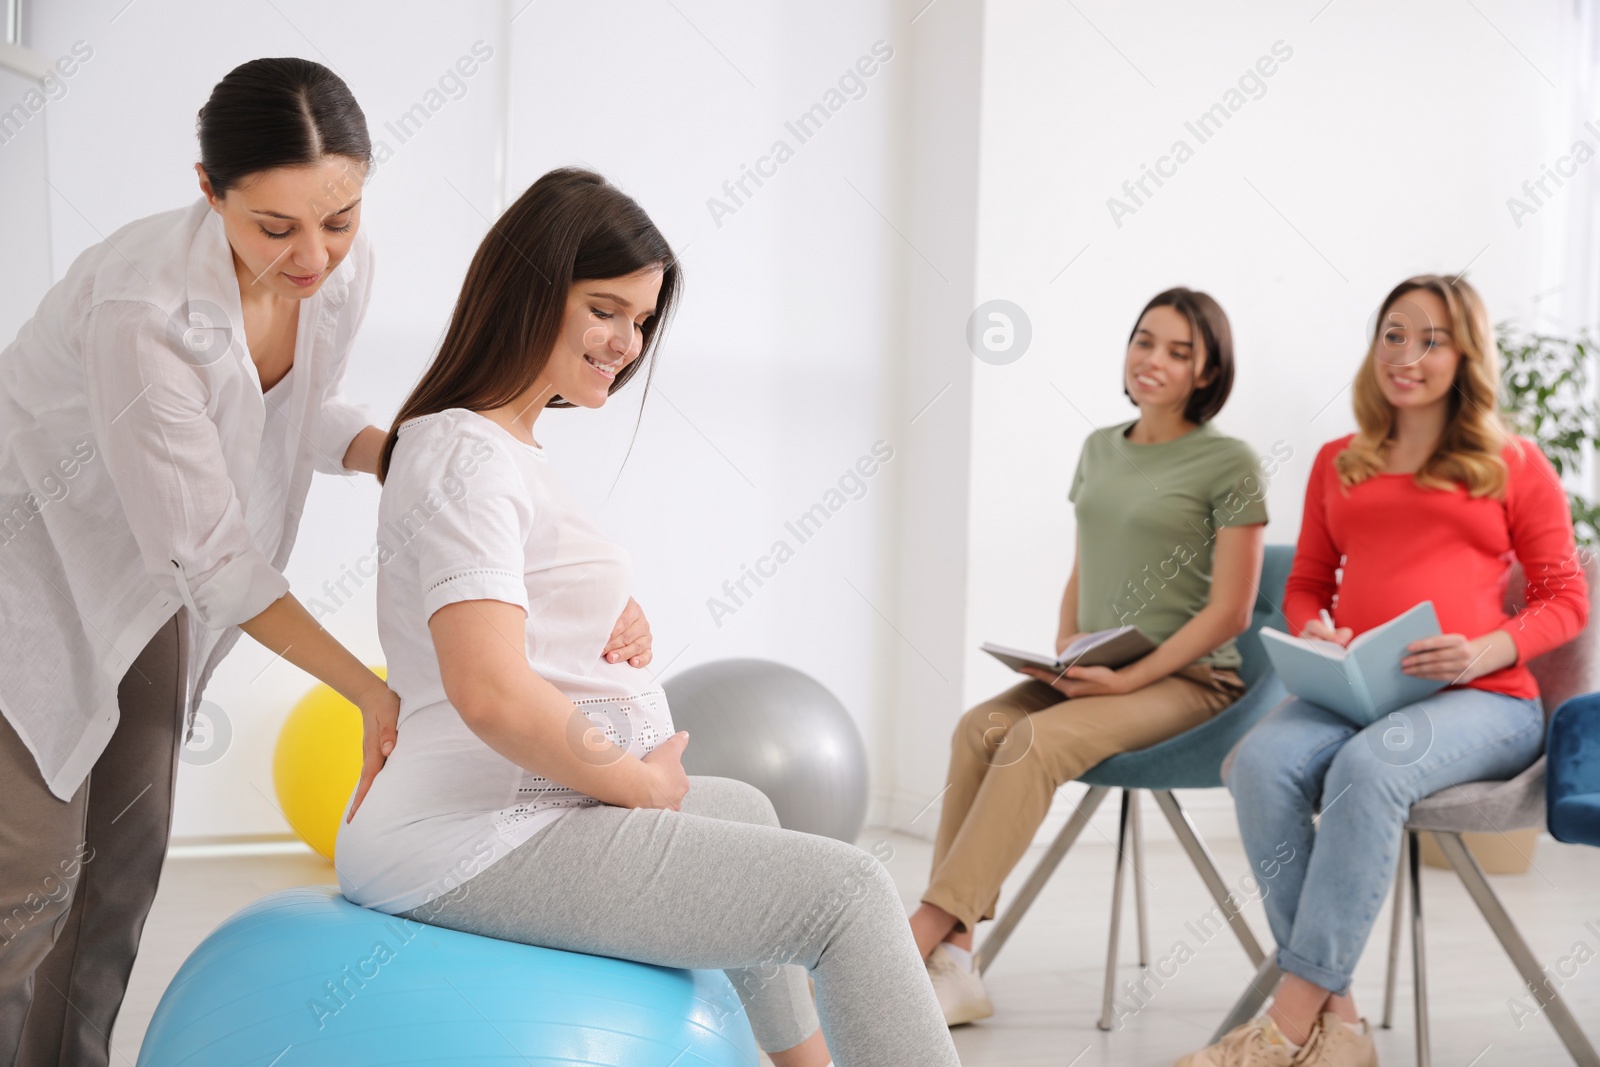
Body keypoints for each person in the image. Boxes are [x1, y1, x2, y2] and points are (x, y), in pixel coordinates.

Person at [334, 166, 961, 1067]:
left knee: (741, 805)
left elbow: (512, 606)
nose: (626, 342)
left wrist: (604, 609)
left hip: (519, 806)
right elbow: (490, 691)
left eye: (641, 320)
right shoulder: (465, 450)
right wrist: (636, 780)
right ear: (530, 287)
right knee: (851, 890)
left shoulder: (493, 445)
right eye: (605, 309)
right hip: (472, 833)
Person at [0, 58, 404, 1067]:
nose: (315, 256)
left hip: (153, 584)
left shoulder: (337, 272)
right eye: (276, 228)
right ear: (207, 189)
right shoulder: (143, 309)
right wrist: (365, 689)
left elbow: (295, 411)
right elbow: (213, 554)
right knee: (28, 875)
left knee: (123, 863)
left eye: (340, 218)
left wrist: (387, 453)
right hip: (31, 565)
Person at [1180, 275, 1588, 1067]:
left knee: (1371, 768)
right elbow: (1305, 583)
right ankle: (1344, 1025)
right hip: (1357, 688)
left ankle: (1286, 1023)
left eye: (1431, 339)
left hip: (1484, 698)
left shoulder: (1513, 462)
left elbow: (1565, 597)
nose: (1406, 355)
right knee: (1261, 762)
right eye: (1393, 334)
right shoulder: (1341, 461)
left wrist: (1482, 649)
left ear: (1465, 354)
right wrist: (1315, 630)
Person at [907, 288, 1270, 1025]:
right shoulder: (1101, 447)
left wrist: (1129, 678)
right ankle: (960, 961)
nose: (1153, 360)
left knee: (1032, 739)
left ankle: (917, 933)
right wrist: (1067, 651)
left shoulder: (1229, 462)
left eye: (1178, 351)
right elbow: (1084, 566)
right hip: (1099, 670)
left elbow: (1231, 610)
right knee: (979, 728)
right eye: (1144, 340)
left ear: (1208, 371)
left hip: (1193, 684)